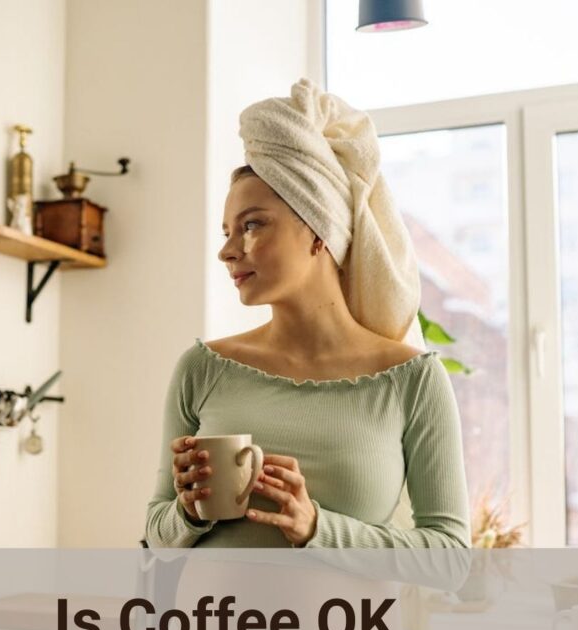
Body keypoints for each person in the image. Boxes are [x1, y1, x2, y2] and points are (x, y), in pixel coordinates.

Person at [145, 79, 470, 550]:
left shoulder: (411, 380)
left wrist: (317, 526)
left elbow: (449, 554)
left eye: (252, 225)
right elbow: (155, 536)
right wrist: (187, 511)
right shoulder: (201, 369)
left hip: (346, 626)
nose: (228, 252)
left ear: (318, 231)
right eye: (227, 232)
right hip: (208, 625)